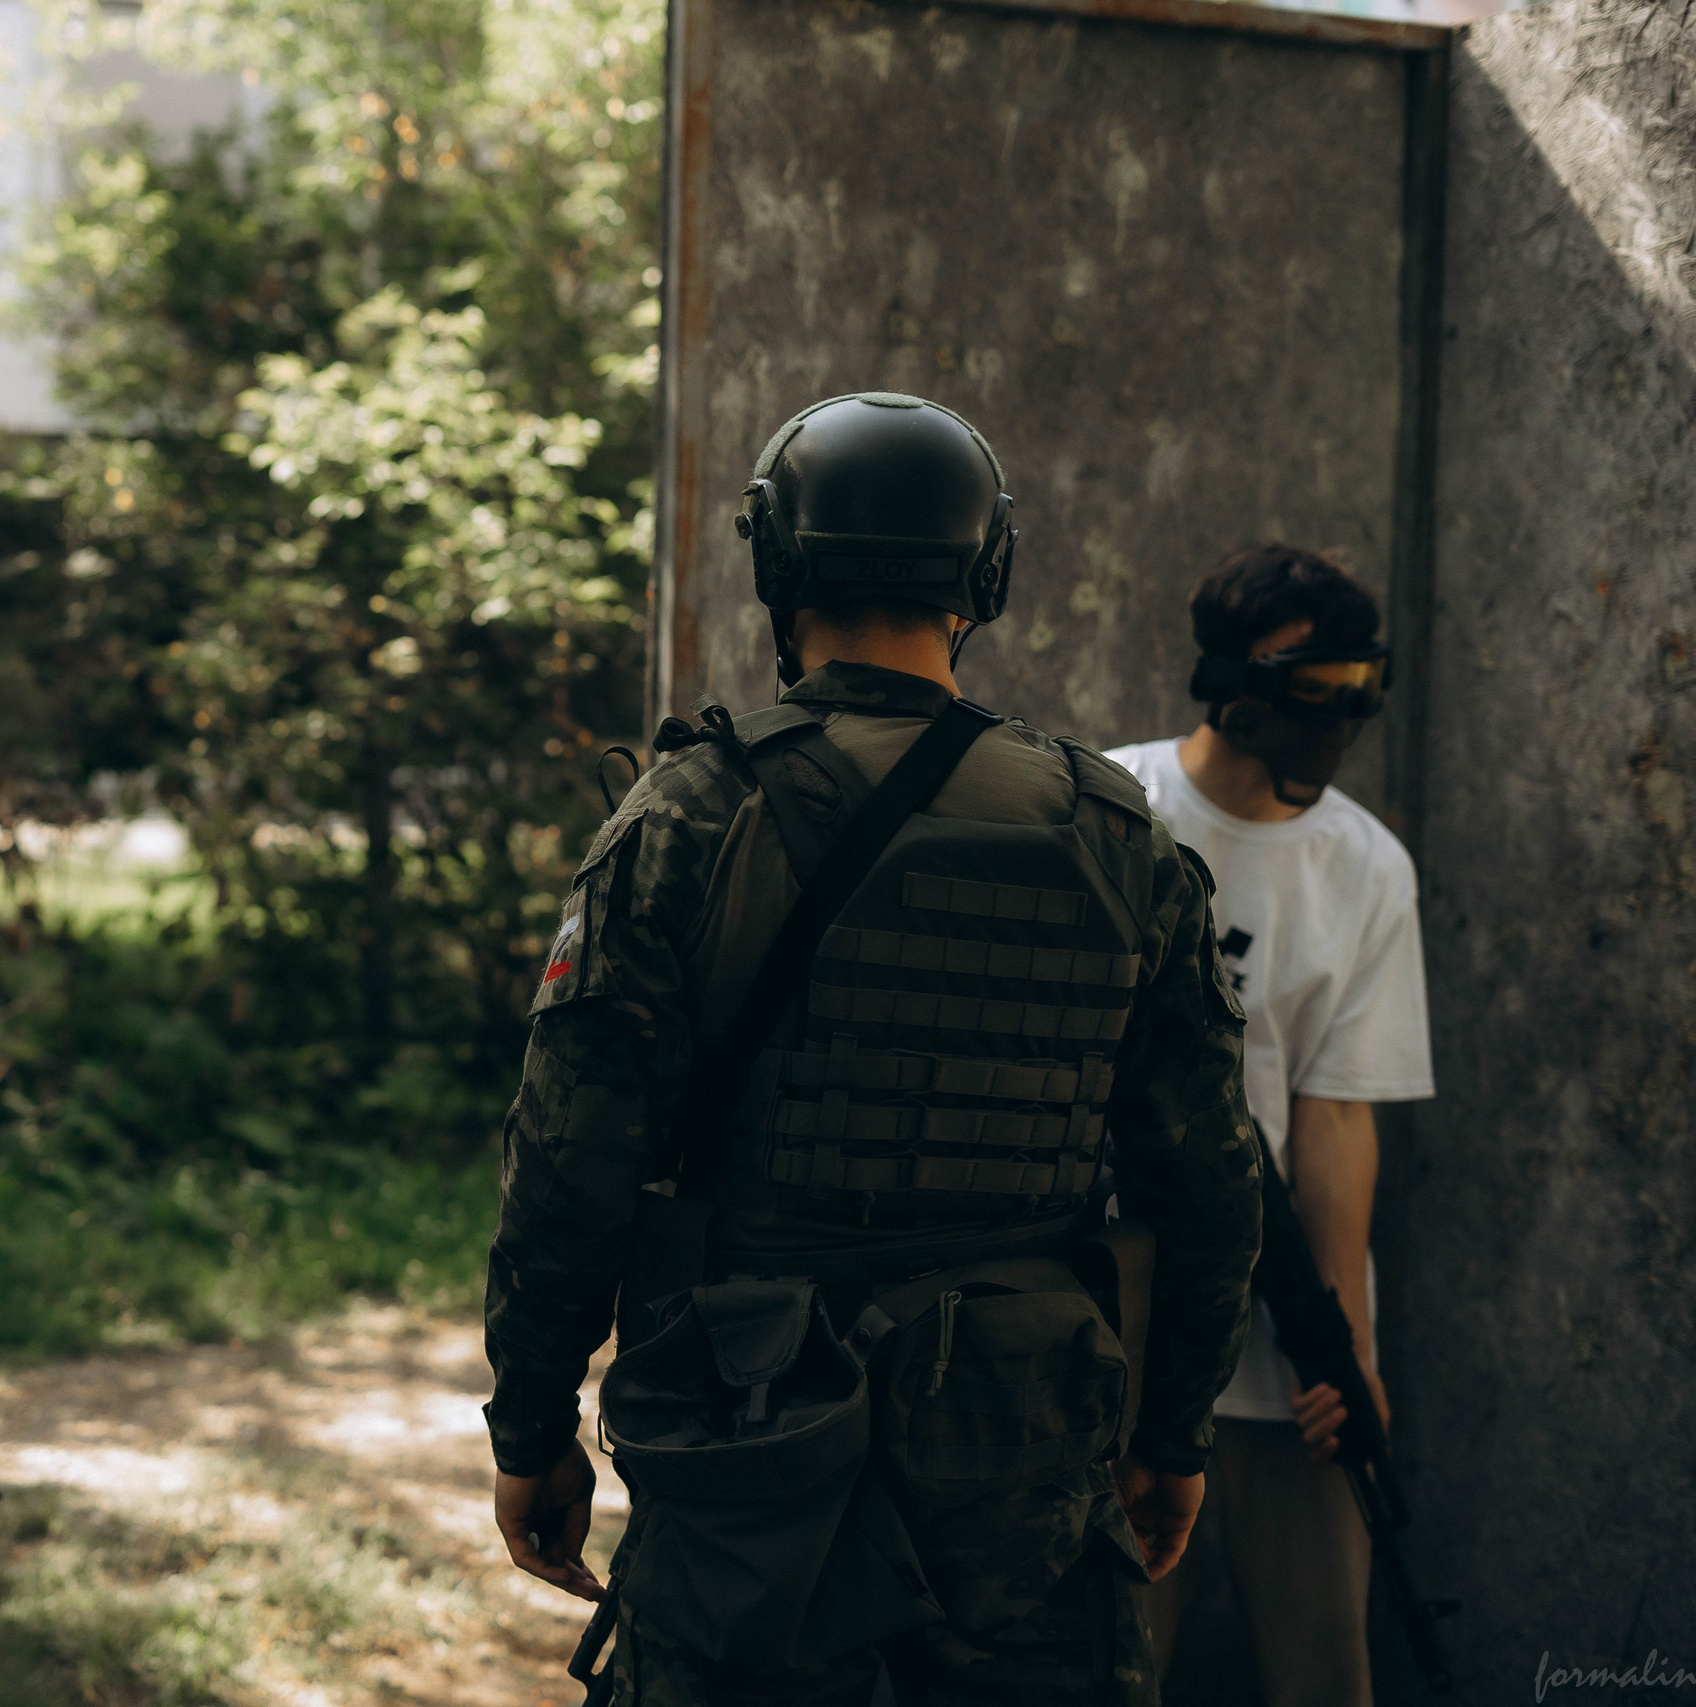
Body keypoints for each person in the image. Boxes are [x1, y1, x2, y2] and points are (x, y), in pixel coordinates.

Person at [482, 392, 1264, 1706]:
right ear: (985, 572)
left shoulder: (689, 816)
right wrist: (1174, 1435)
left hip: (751, 1455)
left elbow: (569, 1167)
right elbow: (1210, 1181)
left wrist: (531, 1426)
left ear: (776, 562)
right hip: (1022, 1461)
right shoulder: (1112, 830)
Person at [1106, 545, 1433, 1707]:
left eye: (1359, 689)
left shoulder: (1364, 867)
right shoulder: (1112, 806)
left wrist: (1339, 1339)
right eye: (1311, 687)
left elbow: (1335, 1112)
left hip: (1282, 1320)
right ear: (1232, 679)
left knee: (1321, 1661)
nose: (1337, 717)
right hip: (1121, 1302)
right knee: (1107, 1647)